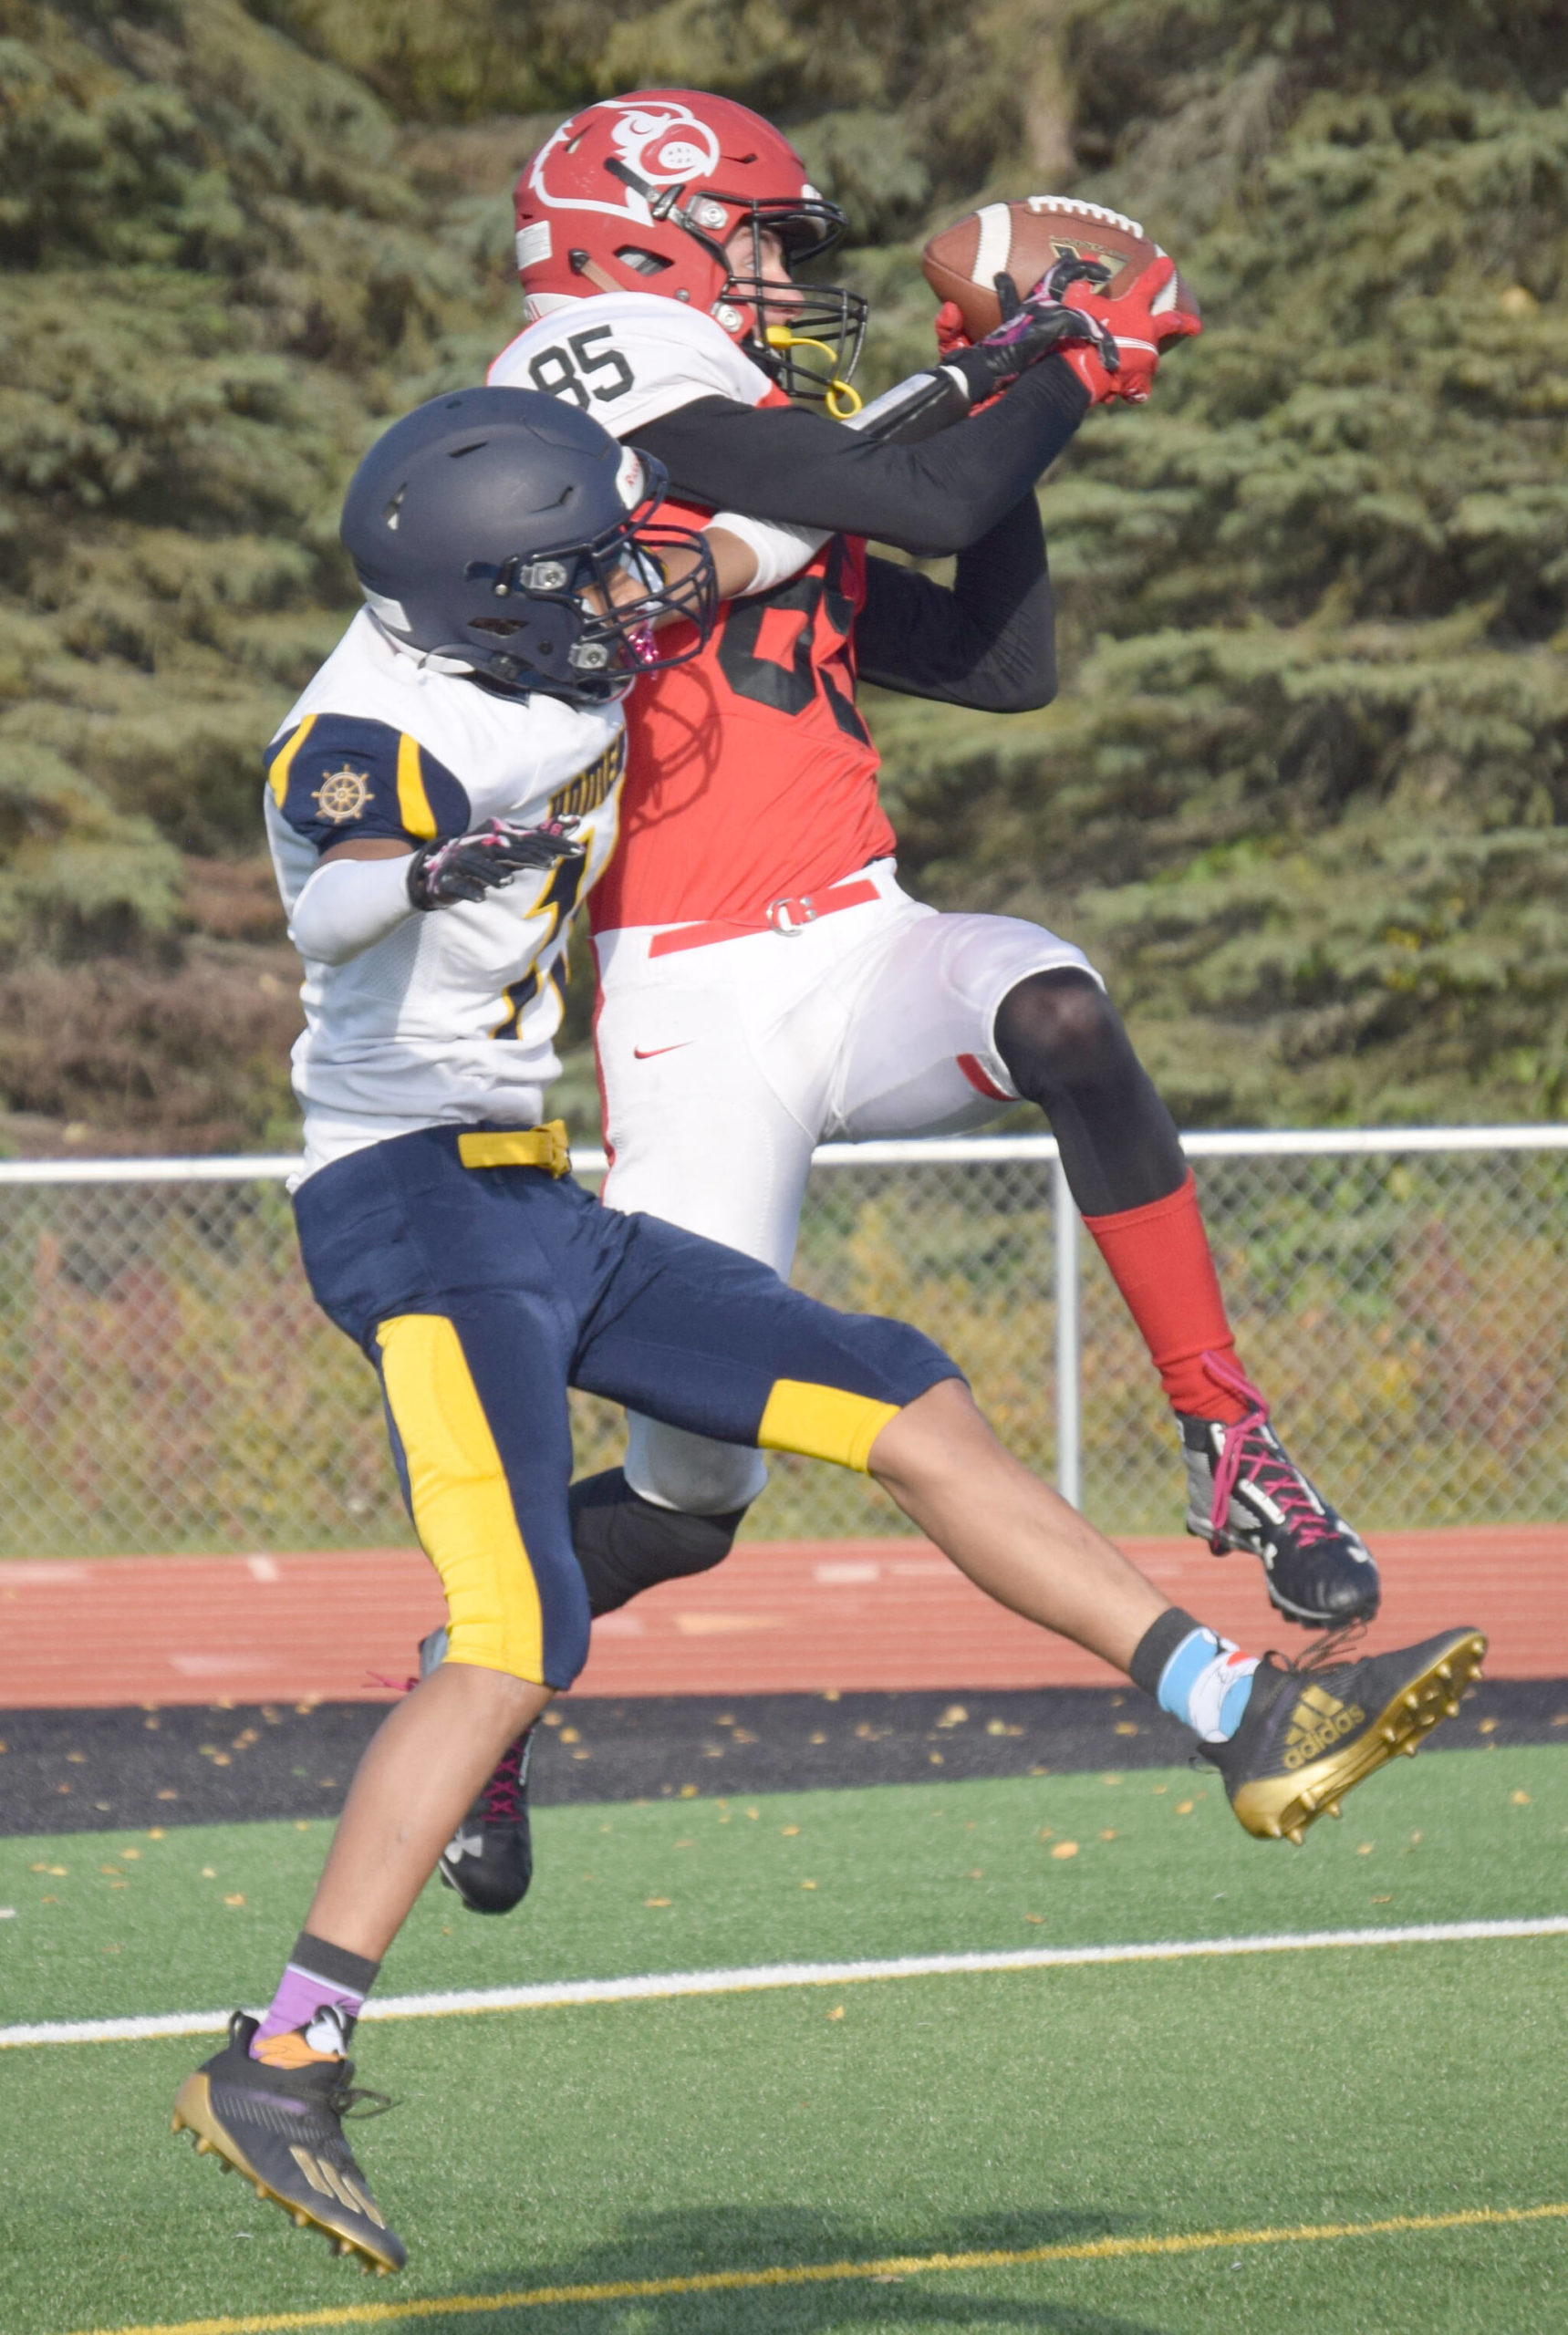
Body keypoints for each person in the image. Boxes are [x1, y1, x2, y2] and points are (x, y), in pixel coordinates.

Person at [170, 383, 1484, 2275]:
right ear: (493, 587)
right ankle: (281, 2052)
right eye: (589, 566)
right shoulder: (378, 719)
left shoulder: (536, 631)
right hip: (414, 1208)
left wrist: (996, 375)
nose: (629, 587)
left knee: (898, 1392)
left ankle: (1244, 1714)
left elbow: (782, 525)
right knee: (515, 1624)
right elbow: (331, 902)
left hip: (535, 1196)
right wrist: (437, 869)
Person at [439, 88, 1381, 1915]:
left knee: (1056, 1010)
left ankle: (1225, 1430)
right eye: (765, 237)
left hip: (855, 936)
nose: (789, 274)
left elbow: (998, 654)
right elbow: (939, 484)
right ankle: (471, 1680)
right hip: (689, 996)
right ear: (641, 236)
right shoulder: (586, 371)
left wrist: (1003, 377)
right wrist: (1048, 363)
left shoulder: (749, 438)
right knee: (686, 1501)